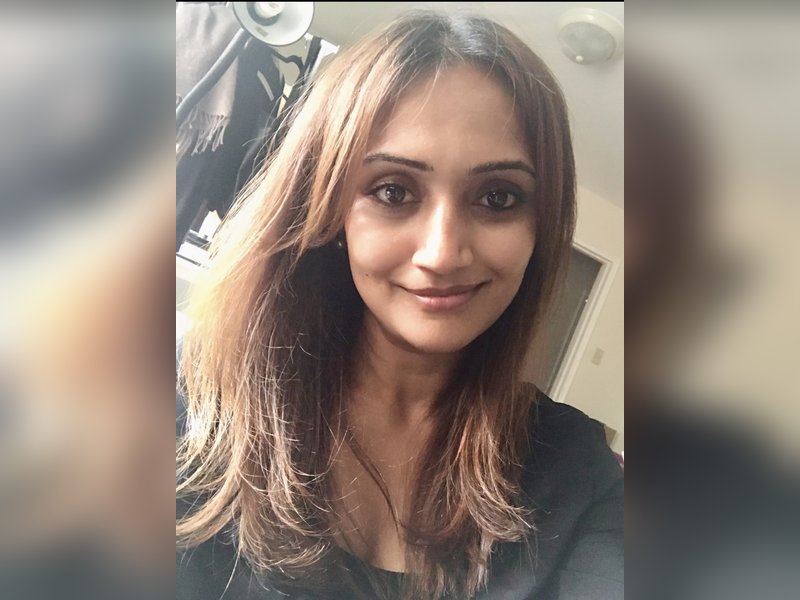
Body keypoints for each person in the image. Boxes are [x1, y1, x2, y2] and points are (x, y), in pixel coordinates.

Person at [176, 10, 623, 600]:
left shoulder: (575, 470)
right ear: (329, 209)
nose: (441, 253)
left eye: (497, 197)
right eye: (393, 191)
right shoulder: (181, 406)